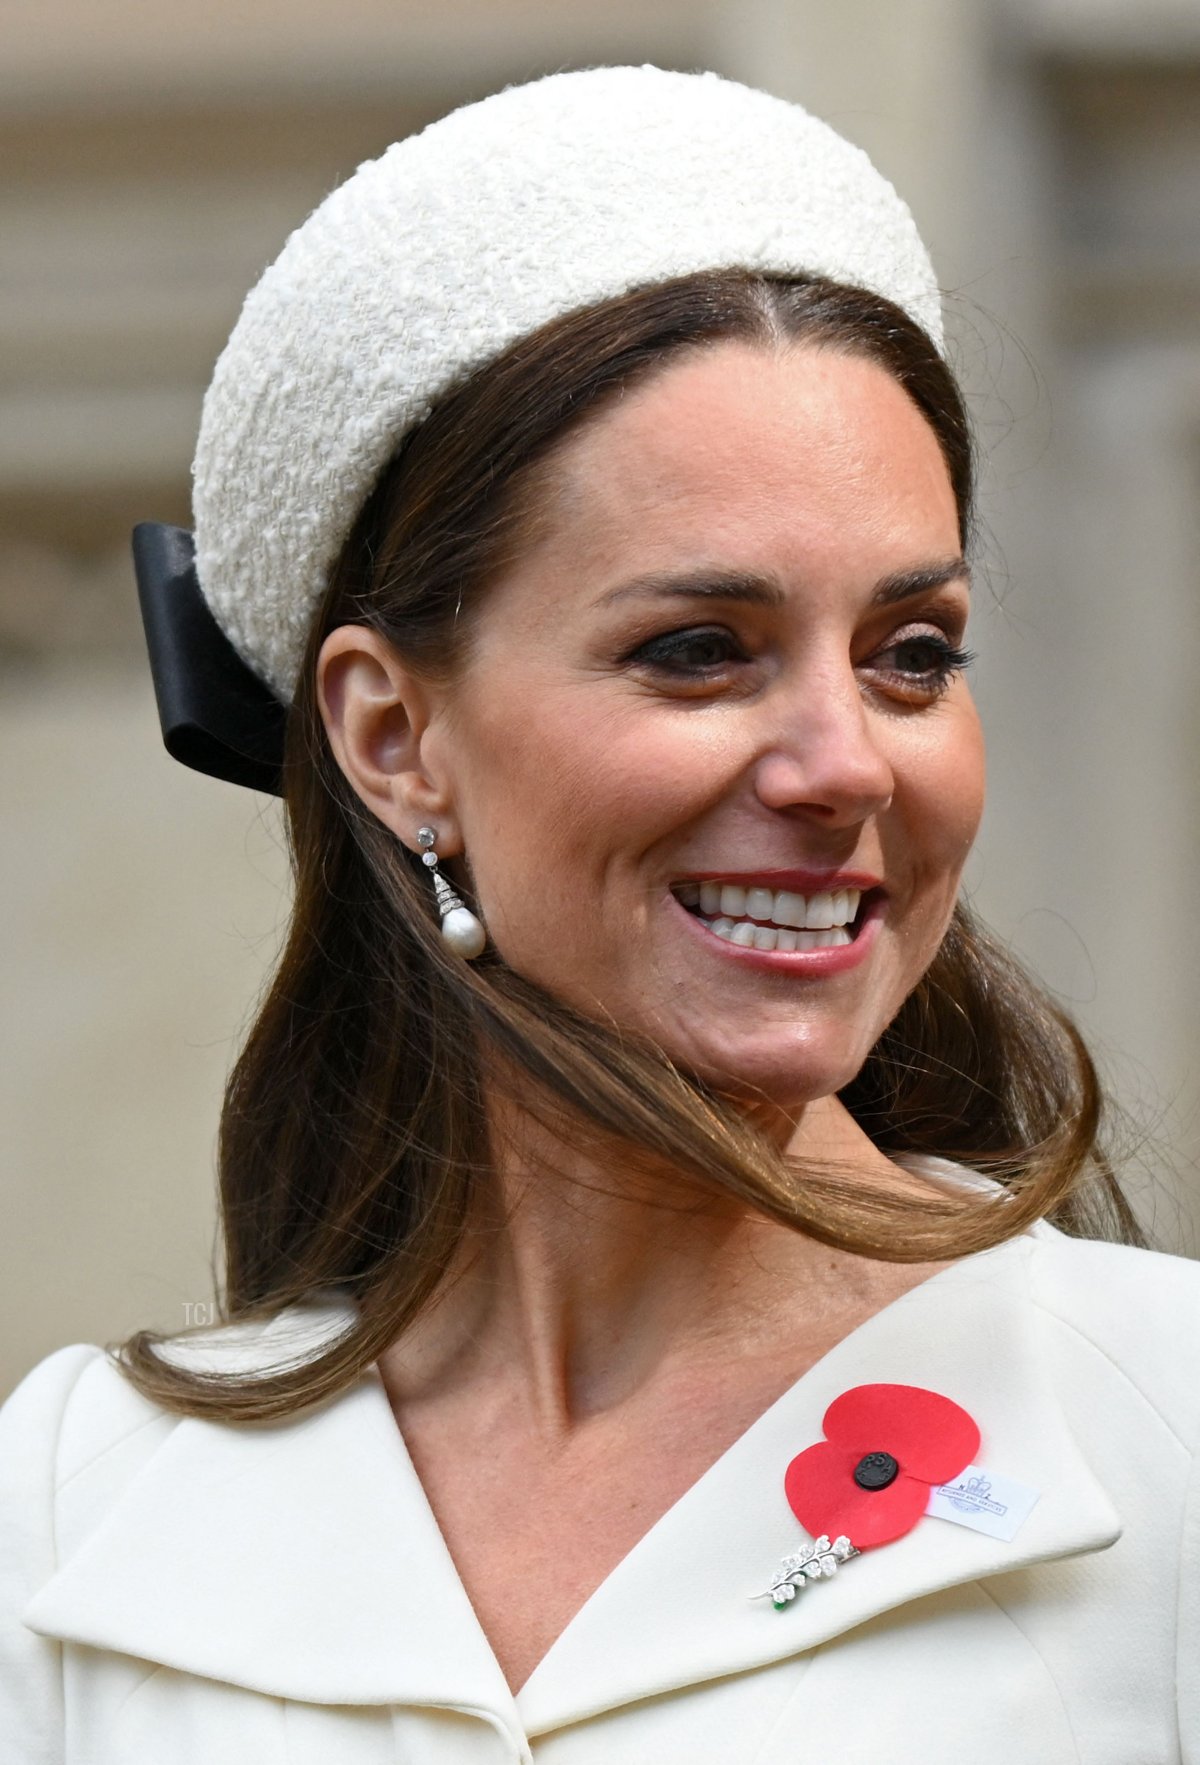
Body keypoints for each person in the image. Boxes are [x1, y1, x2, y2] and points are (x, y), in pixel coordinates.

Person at [1, 63, 1197, 1764]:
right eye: (698, 648)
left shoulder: (1164, 1446)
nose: (843, 761)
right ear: (392, 736)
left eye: (911, 654)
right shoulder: (81, 1509)